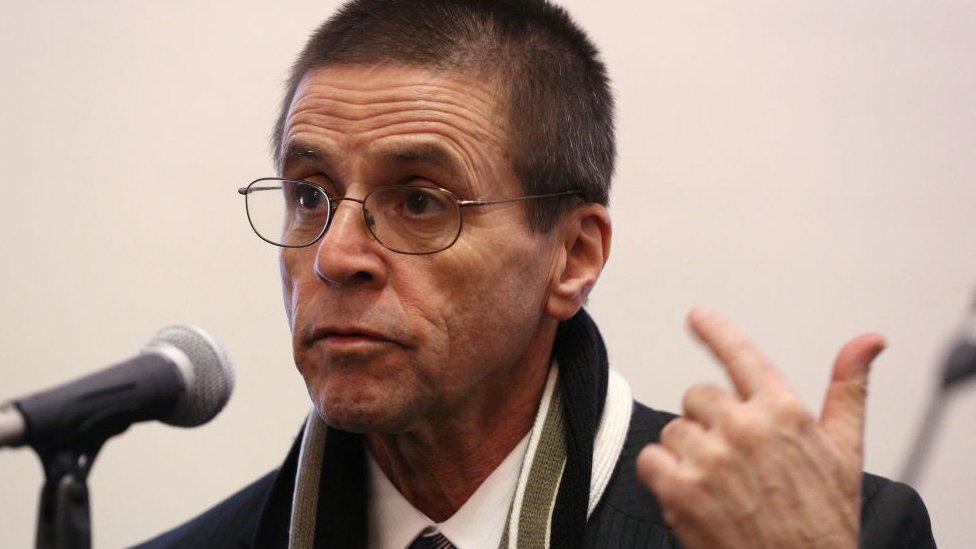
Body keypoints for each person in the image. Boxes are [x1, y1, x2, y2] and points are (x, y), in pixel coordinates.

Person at [134, 0, 935, 547]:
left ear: (574, 256)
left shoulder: (827, 533)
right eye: (310, 194)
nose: (335, 255)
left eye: (419, 199)